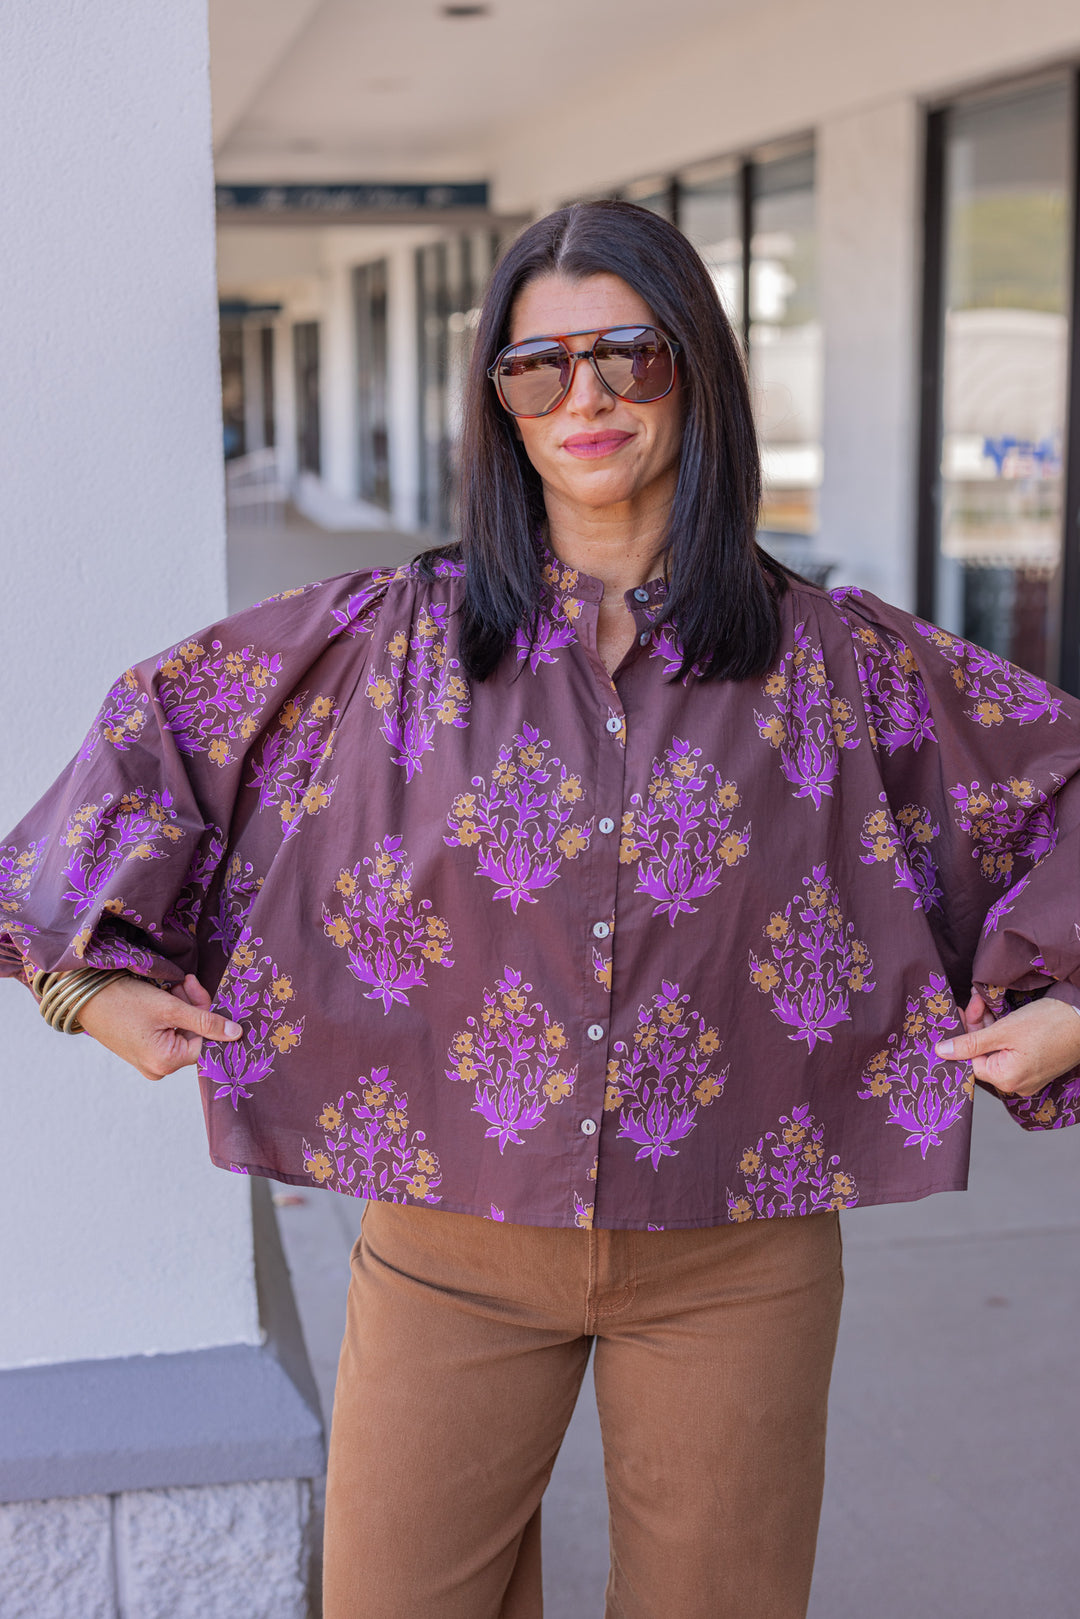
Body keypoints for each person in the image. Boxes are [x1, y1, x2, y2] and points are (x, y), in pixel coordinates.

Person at [4, 201, 1080, 1619]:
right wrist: (85, 984)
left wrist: (1068, 1002)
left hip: (736, 1257)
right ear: (498, 399)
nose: (586, 398)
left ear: (696, 370)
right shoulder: (376, 643)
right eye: (539, 366)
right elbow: (149, 736)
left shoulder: (842, 662)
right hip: (446, 1251)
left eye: (629, 357)